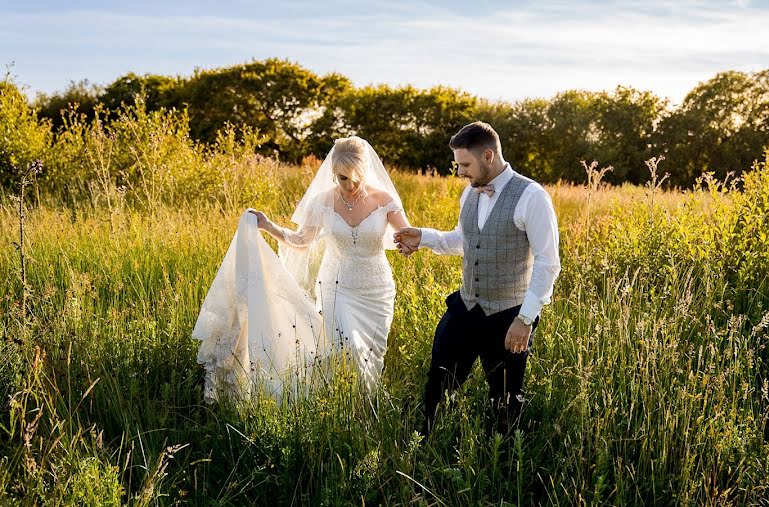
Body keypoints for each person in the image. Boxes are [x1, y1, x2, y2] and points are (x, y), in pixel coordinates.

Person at [193, 136, 409, 401]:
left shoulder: (384, 200)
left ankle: (362, 406)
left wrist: (407, 244)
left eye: (355, 178)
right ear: (333, 173)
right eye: (342, 178)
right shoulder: (323, 202)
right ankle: (343, 404)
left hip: (376, 291)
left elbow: (407, 235)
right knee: (348, 348)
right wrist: (268, 225)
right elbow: (301, 241)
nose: (349, 185)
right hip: (337, 289)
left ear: (365, 171)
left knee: (371, 355)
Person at [394, 121, 561, 434]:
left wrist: (524, 320)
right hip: (465, 308)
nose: (460, 173)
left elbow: (548, 262)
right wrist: (424, 237)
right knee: (438, 384)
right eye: (457, 165)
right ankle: (424, 447)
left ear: (488, 156)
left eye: (465, 165)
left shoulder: (532, 196)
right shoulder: (468, 194)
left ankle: (504, 466)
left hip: (509, 314)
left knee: (506, 399)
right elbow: (465, 240)